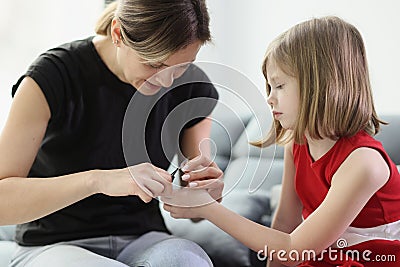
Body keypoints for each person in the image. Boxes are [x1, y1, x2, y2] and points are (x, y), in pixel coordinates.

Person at [0, 0, 224, 266]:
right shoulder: (52, 75)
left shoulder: (191, 89)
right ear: (118, 34)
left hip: (143, 238)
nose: (166, 82)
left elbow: (196, 206)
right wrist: (99, 181)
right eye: (154, 64)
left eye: (180, 67)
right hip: (54, 243)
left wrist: (208, 193)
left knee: (187, 262)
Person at [163, 16, 400, 266]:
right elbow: (285, 226)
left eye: (279, 85)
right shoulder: (297, 144)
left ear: (319, 85)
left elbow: (295, 249)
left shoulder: (364, 163)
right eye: (268, 87)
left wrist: (208, 209)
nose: (270, 99)